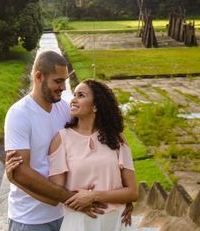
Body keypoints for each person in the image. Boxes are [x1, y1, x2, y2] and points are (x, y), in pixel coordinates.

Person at [4, 50, 87, 231]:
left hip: (63, 215)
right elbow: (20, 171)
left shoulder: (64, 109)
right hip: (29, 219)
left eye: (65, 81)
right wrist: (69, 198)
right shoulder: (19, 114)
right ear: (39, 77)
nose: (64, 87)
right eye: (58, 81)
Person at [47, 79, 138, 230]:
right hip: (80, 222)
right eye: (74, 95)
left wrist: (94, 196)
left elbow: (133, 192)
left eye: (81, 95)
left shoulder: (117, 138)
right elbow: (56, 191)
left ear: (96, 105)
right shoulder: (61, 139)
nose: (73, 100)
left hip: (116, 222)